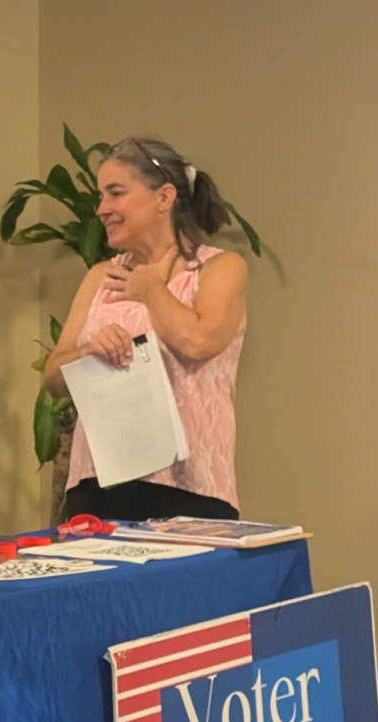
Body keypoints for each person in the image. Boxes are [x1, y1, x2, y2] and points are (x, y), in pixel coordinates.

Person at [42, 137, 249, 521]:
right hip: (97, 488)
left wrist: (151, 288)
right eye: (100, 197)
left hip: (191, 490)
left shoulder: (220, 268)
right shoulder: (100, 276)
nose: (102, 210)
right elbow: (54, 378)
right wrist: (89, 352)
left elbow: (199, 340)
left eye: (116, 193)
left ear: (164, 197)